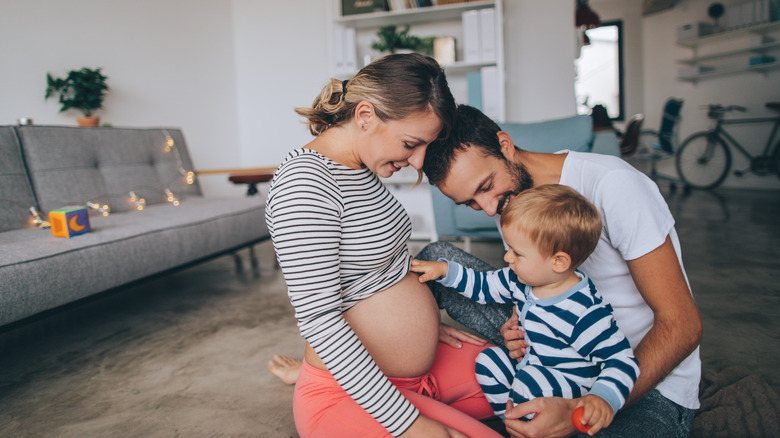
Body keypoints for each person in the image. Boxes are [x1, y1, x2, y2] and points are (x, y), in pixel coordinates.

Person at [417, 104, 702, 438]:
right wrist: (516, 318)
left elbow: (683, 324)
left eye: (485, 186)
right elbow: (534, 281)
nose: (489, 208)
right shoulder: (508, 198)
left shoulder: (613, 185)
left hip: (639, 380)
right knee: (434, 259)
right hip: (553, 352)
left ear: (505, 146)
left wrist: (582, 409)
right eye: (471, 203)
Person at [265, 54, 501, 438]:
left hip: (413, 370)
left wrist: (419, 328)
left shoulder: (359, 165)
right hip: (348, 392)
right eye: (411, 143)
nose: (418, 161)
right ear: (365, 116)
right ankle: (311, 385)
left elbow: (375, 272)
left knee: (530, 385)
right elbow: (320, 321)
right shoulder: (305, 186)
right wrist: (410, 425)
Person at [411, 184, 640, 435]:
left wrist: (602, 398)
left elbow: (621, 360)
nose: (507, 258)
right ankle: (514, 423)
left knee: (529, 384)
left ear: (558, 262)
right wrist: (445, 271)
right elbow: (484, 285)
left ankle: (527, 422)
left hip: (566, 385)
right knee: (488, 362)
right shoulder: (521, 280)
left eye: (517, 253)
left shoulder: (583, 312)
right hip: (531, 364)